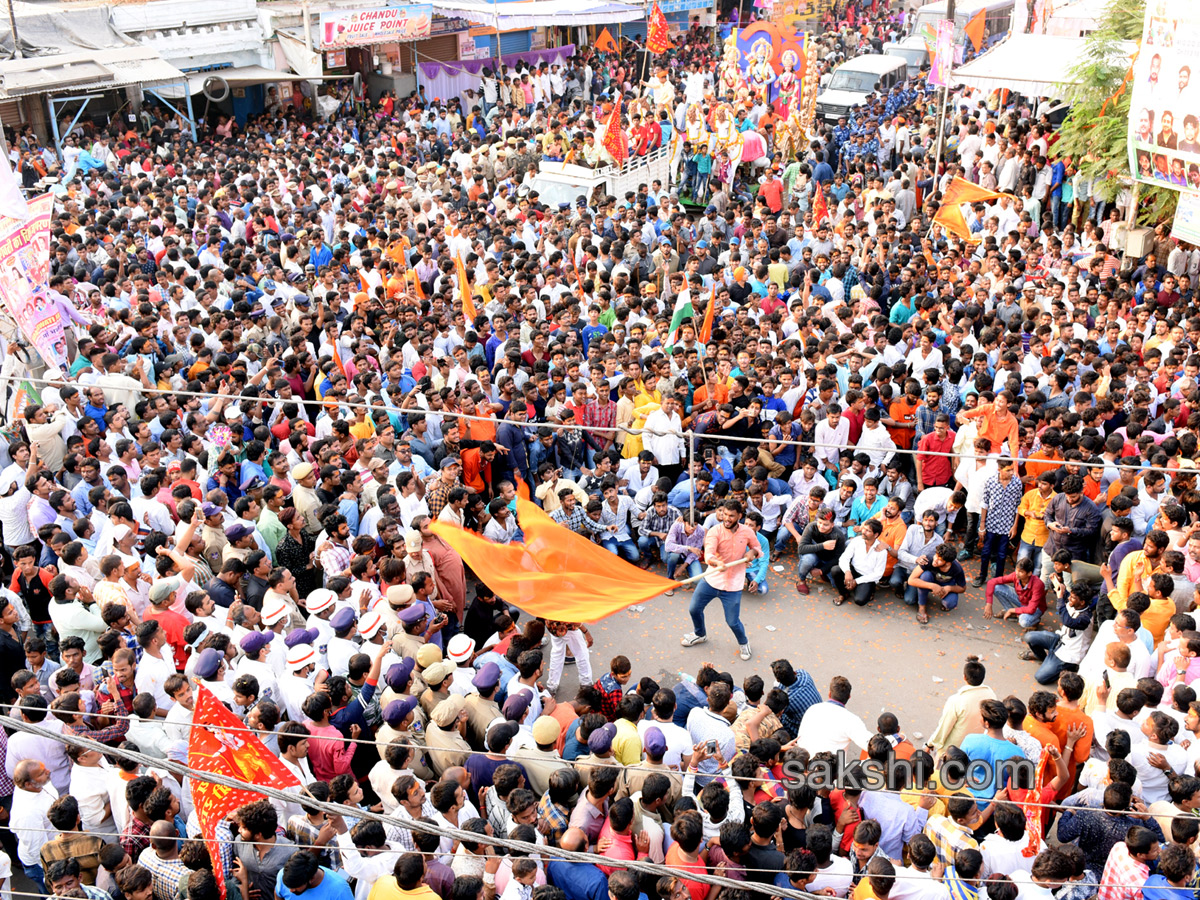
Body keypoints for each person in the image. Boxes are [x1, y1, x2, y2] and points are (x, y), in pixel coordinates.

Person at [681, 500, 761, 661]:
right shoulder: (714, 531)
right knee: (694, 609)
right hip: (712, 579)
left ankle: (743, 642)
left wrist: (752, 552)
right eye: (724, 514)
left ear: (740, 516)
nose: (727, 518)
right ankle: (699, 634)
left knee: (732, 621)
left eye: (731, 515)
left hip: (733, 585)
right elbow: (709, 553)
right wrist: (715, 562)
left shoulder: (747, 532)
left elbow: (757, 548)